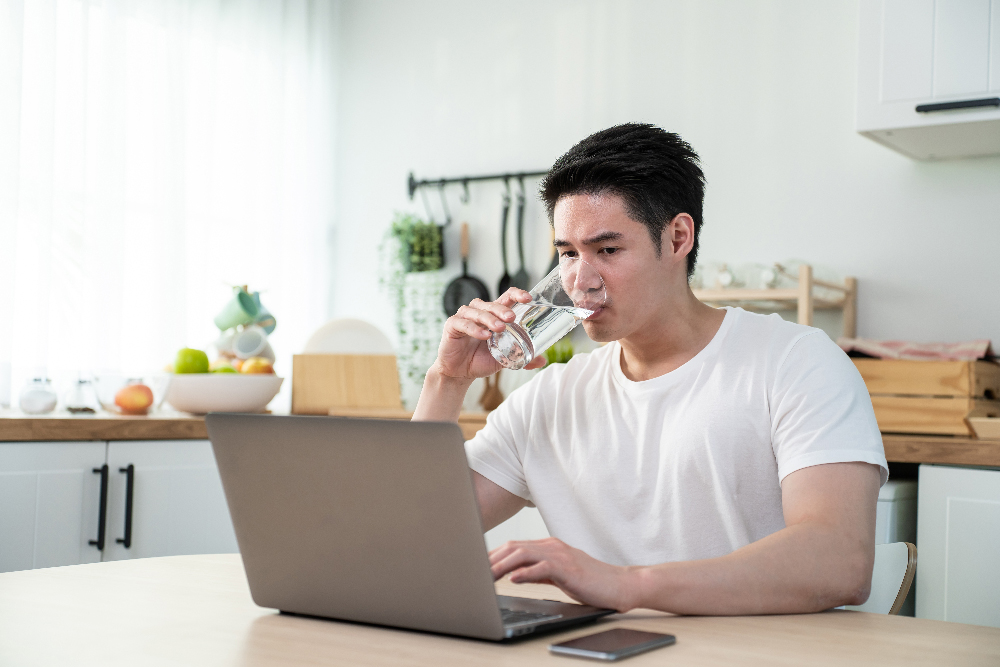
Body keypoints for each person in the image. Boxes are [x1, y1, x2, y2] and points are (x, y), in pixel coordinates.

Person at [412, 123, 887, 615]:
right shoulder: (549, 398)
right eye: (568, 253)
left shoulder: (794, 362)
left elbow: (840, 561)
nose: (580, 281)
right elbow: (419, 532)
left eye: (607, 250)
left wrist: (626, 585)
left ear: (678, 237)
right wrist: (448, 380)